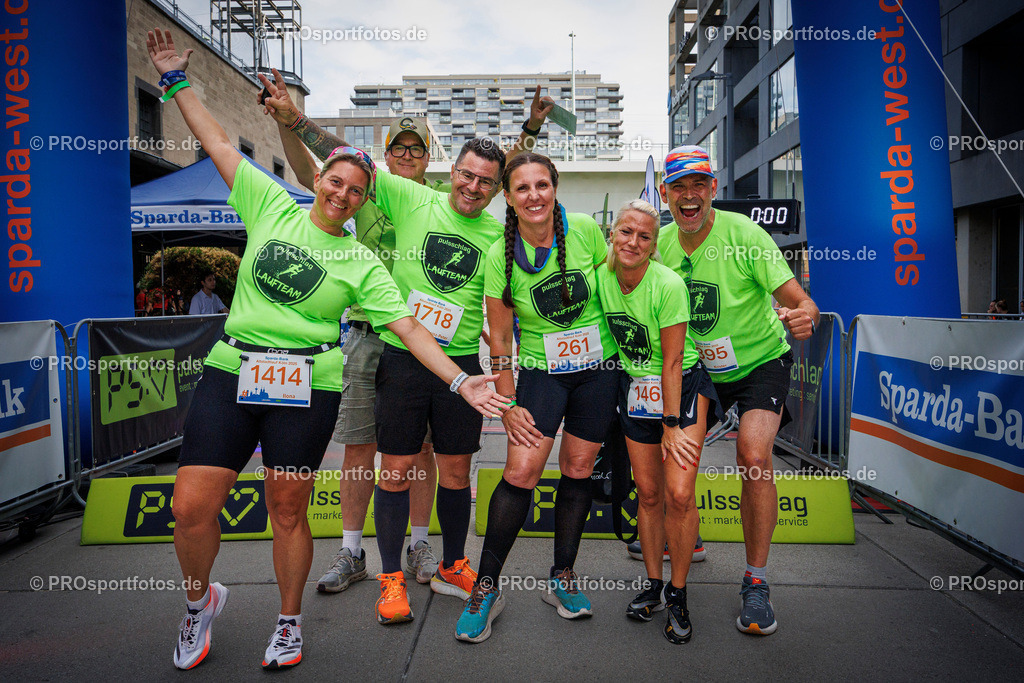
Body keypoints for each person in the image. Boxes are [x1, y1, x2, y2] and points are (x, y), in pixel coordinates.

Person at [146, 28, 506, 671]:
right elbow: (217, 141)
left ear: (366, 201)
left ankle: (288, 624)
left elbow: (409, 327)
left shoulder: (361, 260)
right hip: (234, 368)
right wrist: (175, 81)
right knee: (190, 507)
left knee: (288, 506)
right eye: (335, 183)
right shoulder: (269, 203)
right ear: (322, 182)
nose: (342, 193)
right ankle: (200, 601)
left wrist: (463, 381)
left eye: (354, 191)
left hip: (308, 381)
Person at [261, 74, 552, 598]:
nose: (473, 186)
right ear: (453, 172)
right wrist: (292, 119)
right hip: (400, 354)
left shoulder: (500, 233)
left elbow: (507, 318)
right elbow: (345, 156)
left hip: (461, 365)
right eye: (466, 175)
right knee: (393, 469)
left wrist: (506, 387)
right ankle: (390, 578)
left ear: (497, 189)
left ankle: (453, 563)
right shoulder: (413, 197)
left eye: (486, 182)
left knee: (456, 473)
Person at [456, 153, 620, 643]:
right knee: (521, 472)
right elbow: (501, 340)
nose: (534, 196)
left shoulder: (587, 230)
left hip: (599, 370)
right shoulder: (496, 255)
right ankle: (486, 587)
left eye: (542, 185)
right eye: (522, 188)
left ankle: (562, 577)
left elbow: (618, 289)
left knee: (578, 470)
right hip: (542, 374)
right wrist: (508, 405)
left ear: (555, 188)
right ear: (508, 196)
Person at [657, 145, 819, 636]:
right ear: (665, 194)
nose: (689, 196)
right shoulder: (658, 242)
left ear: (712, 190)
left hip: (758, 363)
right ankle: (690, 538)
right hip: (696, 371)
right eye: (679, 187)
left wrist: (805, 315)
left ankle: (756, 580)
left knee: (753, 455)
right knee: (678, 466)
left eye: (698, 186)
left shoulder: (745, 235)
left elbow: (800, 301)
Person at [597, 199, 723, 643]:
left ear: (654, 246)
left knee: (679, 494)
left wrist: (671, 423)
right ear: (613, 234)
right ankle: (652, 585)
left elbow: (672, 362)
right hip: (635, 391)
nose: (633, 241)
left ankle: (679, 592)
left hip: (681, 390)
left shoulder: (668, 284)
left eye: (645, 236)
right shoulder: (602, 278)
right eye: (626, 232)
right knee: (648, 494)